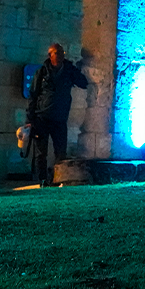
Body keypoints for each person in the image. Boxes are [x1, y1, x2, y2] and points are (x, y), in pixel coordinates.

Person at [28, 42, 88, 186]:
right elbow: (33, 95)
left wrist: (76, 69)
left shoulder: (68, 71)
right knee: (40, 153)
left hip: (60, 119)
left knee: (60, 152)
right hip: (41, 117)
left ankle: (58, 179)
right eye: (58, 53)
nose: (61, 56)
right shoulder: (41, 72)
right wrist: (29, 119)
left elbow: (83, 83)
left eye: (62, 53)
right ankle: (42, 180)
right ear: (50, 55)